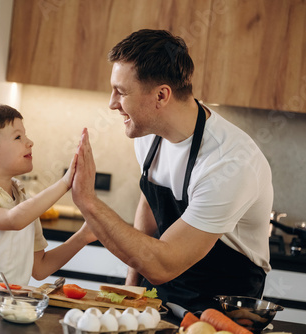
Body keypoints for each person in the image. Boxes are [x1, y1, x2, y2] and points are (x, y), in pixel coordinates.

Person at [72, 29, 273, 311]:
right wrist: (132, 287)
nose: (112, 103)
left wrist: (88, 202)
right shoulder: (146, 134)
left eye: (121, 91)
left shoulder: (229, 161)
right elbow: (150, 202)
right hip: (161, 281)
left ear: (161, 95)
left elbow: (163, 265)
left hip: (223, 300)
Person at [0, 103, 96, 285]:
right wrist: (65, 184)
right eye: (18, 137)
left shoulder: (24, 205)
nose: (30, 142)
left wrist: (83, 237)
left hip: (6, 303)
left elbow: (40, 268)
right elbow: (12, 220)